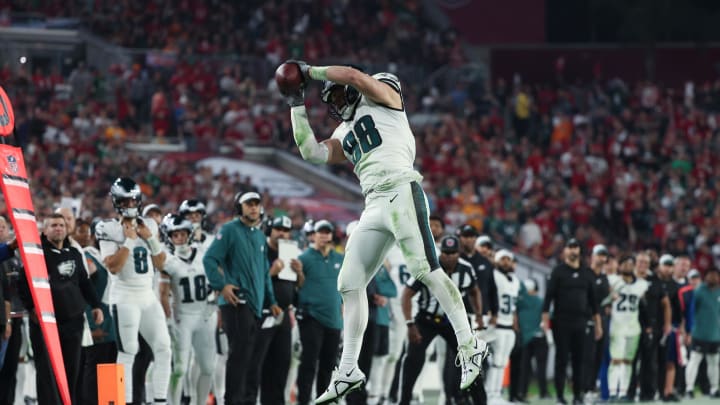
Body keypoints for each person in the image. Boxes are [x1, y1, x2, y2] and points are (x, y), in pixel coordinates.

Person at [283, 60, 488, 403]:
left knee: (425, 269)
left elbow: (352, 76)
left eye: (335, 96)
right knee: (348, 282)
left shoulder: (386, 101)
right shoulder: (344, 131)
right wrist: (295, 104)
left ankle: (470, 345)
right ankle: (348, 368)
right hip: (374, 203)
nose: (333, 104)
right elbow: (311, 152)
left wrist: (310, 70)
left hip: (401, 189)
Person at [95, 177, 171, 404]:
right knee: (128, 351)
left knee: (164, 348)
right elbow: (114, 267)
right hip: (124, 295)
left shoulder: (150, 225)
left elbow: (160, 264)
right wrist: (128, 242)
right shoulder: (107, 227)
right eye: (125, 200)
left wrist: (150, 239)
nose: (130, 205)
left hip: (147, 295)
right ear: (116, 202)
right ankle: (124, 401)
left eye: (134, 200)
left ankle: (159, 400)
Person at [203, 191, 281, 405]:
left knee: (247, 357)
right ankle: (232, 401)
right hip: (237, 301)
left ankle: (242, 400)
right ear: (240, 207)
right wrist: (220, 286)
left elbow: (264, 273)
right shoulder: (229, 230)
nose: (253, 208)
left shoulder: (259, 235)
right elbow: (209, 259)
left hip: (255, 306)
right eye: (249, 204)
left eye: (256, 204)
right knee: (238, 356)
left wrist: (272, 301)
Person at [19, 213, 103, 404]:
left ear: (66, 230)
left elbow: (84, 282)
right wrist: (31, 307)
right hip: (46, 323)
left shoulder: (73, 253)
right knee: (47, 372)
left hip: (73, 321)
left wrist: (96, 305)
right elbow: (22, 283)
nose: (58, 228)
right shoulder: (36, 254)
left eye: (61, 225)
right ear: (45, 230)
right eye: (53, 225)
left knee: (71, 371)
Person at [399, 235, 483, 405]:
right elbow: (407, 294)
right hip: (426, 320)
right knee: (413, 360)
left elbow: (475, 291)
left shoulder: (466, 269)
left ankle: (481, 401)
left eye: (453, 253)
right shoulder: (427, 267)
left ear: (459, 253)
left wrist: (479, 315)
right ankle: (404, 401)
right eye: (446, 252)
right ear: (440, 253)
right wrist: (410, 324)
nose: (449, 256)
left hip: (454, 322)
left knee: (471, 358)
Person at [247, 215, 304, 405]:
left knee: (281, 364)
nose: (283, 233)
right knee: (256, 364)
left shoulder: (289, 252)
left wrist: (299, 273)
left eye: (286, 230)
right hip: (262, 313)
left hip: (283, 315)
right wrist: (270, 272)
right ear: (268, 230)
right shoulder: (259, 250)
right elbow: (251, 282)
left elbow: (297, 287)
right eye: (279, 229)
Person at [160, 214, 217, 405]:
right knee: (179, 368)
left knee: (208, 367)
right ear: (169, 237)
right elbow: (163, 293)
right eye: (175, 235)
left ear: (190, 234)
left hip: (204, 315)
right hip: (182, 317)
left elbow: (218, 280)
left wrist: (214, 304)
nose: (180, 238)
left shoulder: (204, 253)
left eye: (183, 234)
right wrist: (168, 319)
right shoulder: (168, 260)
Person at [542, 238, 602, 405]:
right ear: (565, 251)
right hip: (561, 322)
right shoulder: (558, 271)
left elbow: (593, 302)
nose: (573, 250)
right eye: (570, 247)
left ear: (580, 251)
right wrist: (545, 320)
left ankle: (578, 396)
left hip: (581, 322)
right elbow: (548, 298)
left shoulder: (586, 273)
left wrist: (598, 324)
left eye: (575, 247)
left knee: (579, 360)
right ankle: (560, 396)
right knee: (561, 359)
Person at [295, 220, 344, 405]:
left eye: (327, 232)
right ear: (313, 235)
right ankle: (303, 400)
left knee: (328, 365)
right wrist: (299, 274)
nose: (324, 236)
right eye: (320, 232)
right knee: (309, 362)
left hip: (334, 319)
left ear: (331, 235)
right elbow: (297, 286)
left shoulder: (340, 259)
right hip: (311, 316)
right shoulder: (304, 257)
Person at [76, 218, 119, 404]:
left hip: (113, 318)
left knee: (112, 365)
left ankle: (109, 401)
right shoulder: (88, 255)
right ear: (96, 236)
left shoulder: (114, 257)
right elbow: (81, 286)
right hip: (96, 318)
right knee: (95, 367)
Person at [606, 255, 649, 401]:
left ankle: (623, 392)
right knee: (615, 360)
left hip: (633, 327)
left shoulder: (642, 284)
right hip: (617, 326)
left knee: (628, 361)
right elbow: (602, 301)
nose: (627, 266)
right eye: (624, 263)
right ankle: (612, 392)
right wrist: (609, 298)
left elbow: (643, 307)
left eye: (630, 264)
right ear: (619, 266)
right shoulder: (612, 280)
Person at [486, 249, 521, 405]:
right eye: (503, 259)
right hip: (497, 324)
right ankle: (490, 394)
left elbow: (513, 305)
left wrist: (515, 321)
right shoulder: (493, 275)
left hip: (508, 325)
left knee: (503, 361)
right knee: (496, 360)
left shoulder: (515, 279)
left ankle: (497, 393)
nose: (506, 262)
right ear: (496, 260)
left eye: (508, 259)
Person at [684, 267, 720, 398]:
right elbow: (691, 312)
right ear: (705, 277)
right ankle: (689, 388)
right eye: (710, 275)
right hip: (699, 333)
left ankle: (714, 389)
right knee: (694, 361)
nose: (713, 278)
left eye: (715, 275)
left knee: (714, 362)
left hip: (715, 334)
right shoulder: (699, 291)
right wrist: (689, 330)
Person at [457, 225, 498, 331]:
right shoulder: (455, 259)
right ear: (460, 238)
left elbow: (492, 288)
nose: (469, 239)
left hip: (481, 313)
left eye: (472, 236)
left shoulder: (485, 262)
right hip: (458, 312)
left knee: (477, 346)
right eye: (466, 236)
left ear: (476, 238)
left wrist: (495, 312)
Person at [584, 244, 610, 403]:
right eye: (599, 254)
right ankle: (583, 388)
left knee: (598, 357)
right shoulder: (585, 274)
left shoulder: (604, 277)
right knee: (587, 356)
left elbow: (604, 302)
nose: (601, 258)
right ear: (592, 256)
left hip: (601, 320)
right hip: (586, 320)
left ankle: (591, 388)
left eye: (603, 255)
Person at [516, 278, 549, 401]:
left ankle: (522, 392)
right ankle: (543, 392)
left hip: (525, 339)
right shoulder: (541, 301)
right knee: (541, 368)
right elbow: (546, 318)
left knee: (525, 369)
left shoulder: (521, 302)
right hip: (540, 337)